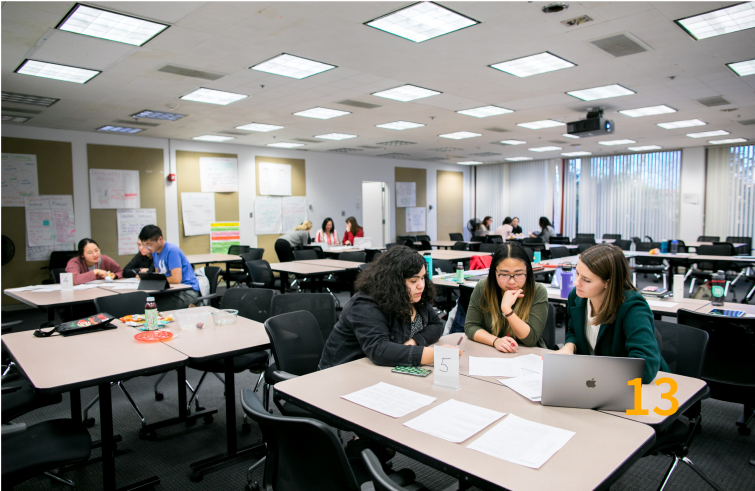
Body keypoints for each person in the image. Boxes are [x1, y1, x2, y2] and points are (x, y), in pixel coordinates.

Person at [319, 246, 462, 369]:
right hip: (341, 373)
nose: (421, 285)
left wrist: (415, 341)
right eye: (413, 280)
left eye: (423, 277)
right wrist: (435, 354)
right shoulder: (366, 304)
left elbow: (436, 324)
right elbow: (380, 350)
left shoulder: (415, 296)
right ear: (394, 282)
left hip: (376, 372)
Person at [555, 244, 668, 384]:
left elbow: (646, 367)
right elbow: (573, 330)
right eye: (577, 273)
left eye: (586, 279)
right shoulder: (577, 297)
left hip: (638, 388)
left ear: (608, 283)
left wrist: (595, 368)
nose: (576, 283)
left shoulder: (633, 308)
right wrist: (570, 345)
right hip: (596, 382)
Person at [464, 242, 548, 351]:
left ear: (527, 271)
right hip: (490, 353)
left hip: (527, 355)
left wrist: (507, 310)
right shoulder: (483, 287)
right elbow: (470, 327)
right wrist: (495, 341)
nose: (512, 281)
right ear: (495, 272)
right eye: (504, 274)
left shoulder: (538, 291)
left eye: (518, 274)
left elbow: (531, 339)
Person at [138, 225, 200, 310]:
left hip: (187, 291)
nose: (147, 248)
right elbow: (158, 275)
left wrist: (153, 280)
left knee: (153, 307)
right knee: (142, 302)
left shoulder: (172, 251)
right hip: (170, 290)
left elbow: (176, 279)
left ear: (160, 239)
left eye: (149, 244)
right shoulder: (154, 252)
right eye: (144, 245)